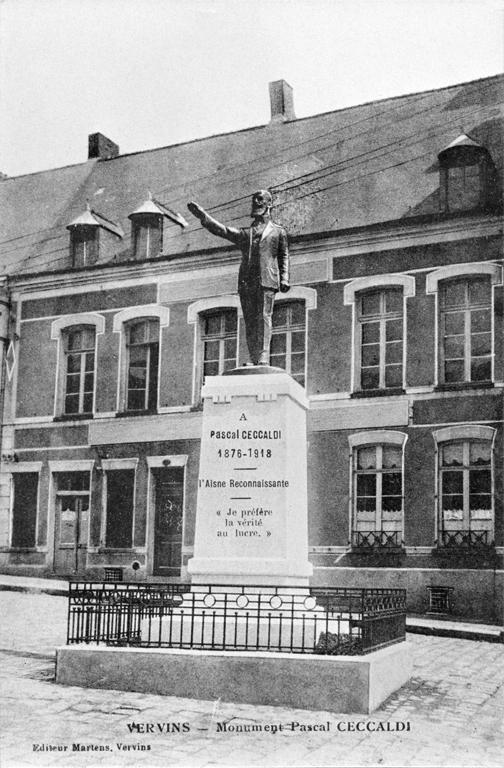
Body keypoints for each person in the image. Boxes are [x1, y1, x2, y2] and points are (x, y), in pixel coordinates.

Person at [187, 190, 290, 366]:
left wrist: (285, 278)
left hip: (267, 280)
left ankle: (264, 355)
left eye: (260, 201)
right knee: (250, 319)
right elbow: (224, 231)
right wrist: (203, 217)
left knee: (264, 316)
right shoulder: (246, 234)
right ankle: (253, 357)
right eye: (254, 201)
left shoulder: (278, 232)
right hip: (247, 281)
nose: (256, 204)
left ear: (268, 205)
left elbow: (284, 255)